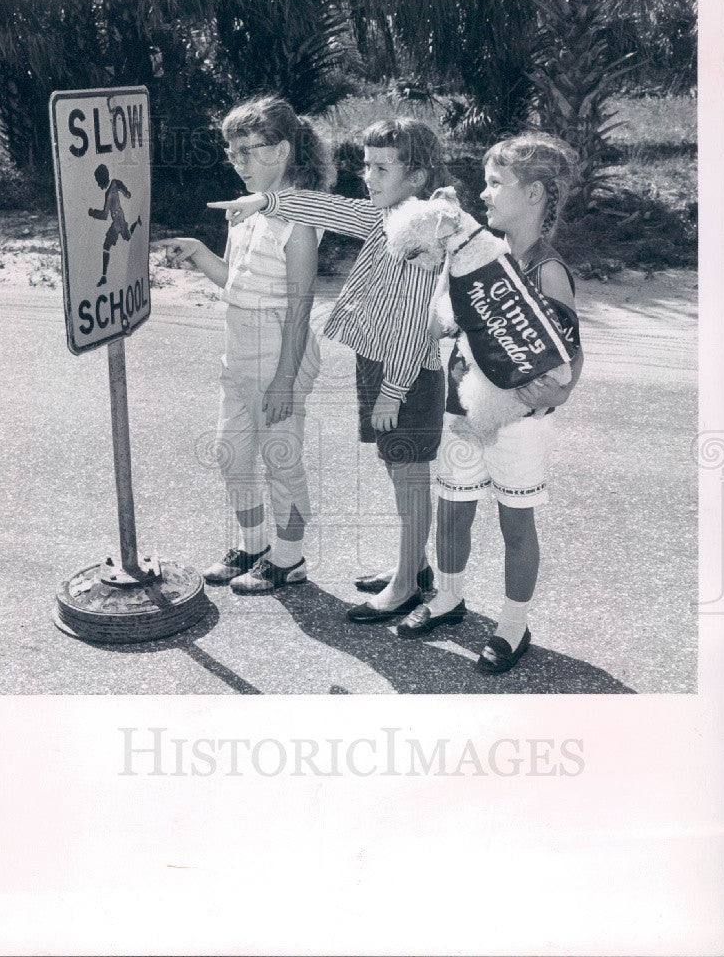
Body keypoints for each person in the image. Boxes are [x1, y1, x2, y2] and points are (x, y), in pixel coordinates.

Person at [208, 119, 451, 622]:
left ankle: (406, 586)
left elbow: (412, 319)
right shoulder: (386, 217)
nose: (368, 175)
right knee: (397, 469)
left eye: (383, 166)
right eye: (366, 164)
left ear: (418, 176)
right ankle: (416, 566)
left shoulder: (419, 233)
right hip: (382, 367)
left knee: (409, 476)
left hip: (404, 374)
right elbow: (328, 207)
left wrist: (392, 390)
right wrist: (266, 203)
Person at [396, 132, 584, 674]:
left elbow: (568, 352)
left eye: (496, 183)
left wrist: (561, 389)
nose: (484, 194)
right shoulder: (479, 255)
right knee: (453, 508)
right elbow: (445, 321)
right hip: (464, 404)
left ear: (536, 195)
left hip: (520, 420)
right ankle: (450, 598)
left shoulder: (546, 269)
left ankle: (512, 625)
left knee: (515, 523)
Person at [154, 96, 334, 592]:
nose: (238, 163)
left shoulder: (298, 216)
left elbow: (300, 308)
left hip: (280, 352)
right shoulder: (243, 212)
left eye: (248, 152)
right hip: (237, 350)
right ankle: (253, 543)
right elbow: (234, 280)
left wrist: (283, 379)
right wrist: (199, 252)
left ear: (280, 150)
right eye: (231, 153)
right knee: (231, 454)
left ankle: (290, 558)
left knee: (281, 460)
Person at [88, 164, 142, 287]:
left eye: (98, 181)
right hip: (119, 218)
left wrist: (92, 212)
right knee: (125, 238)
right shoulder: (114, 183)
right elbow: (122, 187)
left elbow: (104, 215)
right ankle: (136, 223)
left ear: (101, 179)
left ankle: (104, 277)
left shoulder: (108, 194)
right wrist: (126, 192)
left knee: (107, 246)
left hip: (118, 221)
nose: (97, 184)